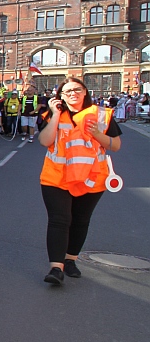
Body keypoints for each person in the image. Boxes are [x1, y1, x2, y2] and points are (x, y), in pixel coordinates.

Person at [38, 77, 122, 285]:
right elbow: (44, 141)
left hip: (92, 179)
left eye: (77, 89)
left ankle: (71, 259)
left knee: (80, 220)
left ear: (85, 92)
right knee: (59, 220)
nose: (73, 94)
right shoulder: (53, 114)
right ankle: (56, 268)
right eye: (67, 92)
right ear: (61, 97)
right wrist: (56, 115)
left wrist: (96, 134)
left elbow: (115, 145)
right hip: (56, 177)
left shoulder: (102, 115)